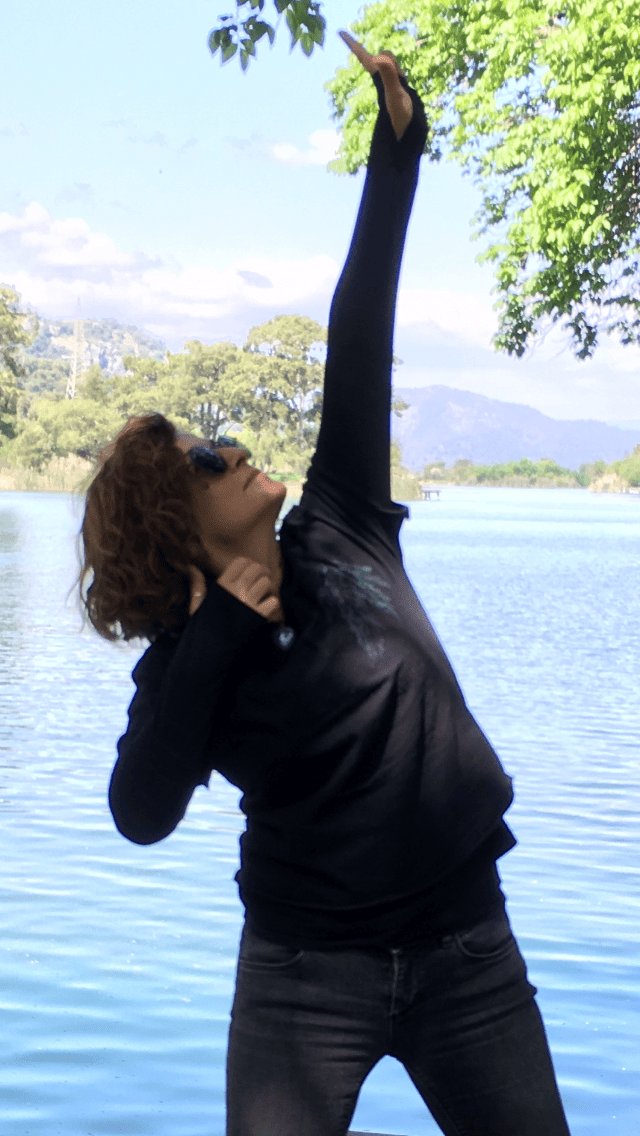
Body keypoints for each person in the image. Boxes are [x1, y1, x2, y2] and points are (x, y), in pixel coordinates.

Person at [89, 31, 572, 1136]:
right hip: (303, 979)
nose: (229, 447)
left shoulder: (340, 520)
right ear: (174, 521)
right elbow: (139, 812)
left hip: (467, 948)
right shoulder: (186, 665)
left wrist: (395, 153)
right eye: (203, 459)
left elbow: (360, 332)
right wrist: (220, 633)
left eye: (217, 439)